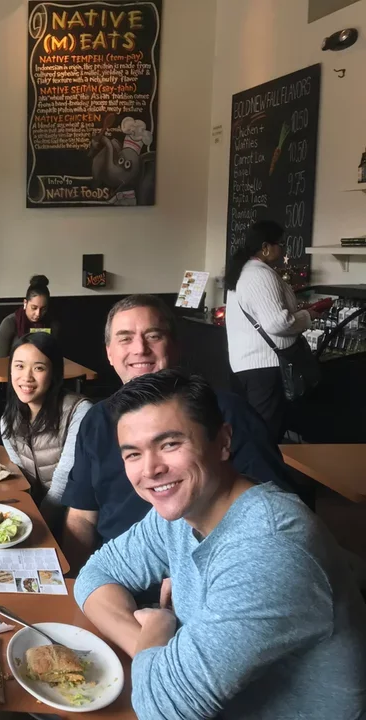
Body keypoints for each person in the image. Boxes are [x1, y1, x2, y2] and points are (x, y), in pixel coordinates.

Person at [75, 371, 366, 719]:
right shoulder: (183, 512)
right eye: (133, 454)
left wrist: (159, 627)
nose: (150, 469)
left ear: (223, 442)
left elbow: (161, 709)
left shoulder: (270, 548)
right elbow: (95, 575)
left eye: (170, 444)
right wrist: (150, 644)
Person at [60, 295, 293, 574]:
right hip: (114, 574)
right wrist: (73, 580)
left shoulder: (225, 412)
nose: (140, 349)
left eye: (153, 336)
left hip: (211, 577)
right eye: (125, 338)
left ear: (176, 346)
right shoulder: (96, 420)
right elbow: (82, 517)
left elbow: (269, 514)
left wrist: (185, 577)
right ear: (109, 353)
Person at [225, 220, 321, 443]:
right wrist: (308, 316)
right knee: (265, 434)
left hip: (249, 366)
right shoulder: (260, 274)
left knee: (255, 429)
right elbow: (277, 323)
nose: (283, 249)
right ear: (266, 247)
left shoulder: (244, 271)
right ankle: (263, 477)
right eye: (281, 244)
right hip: (265, 367)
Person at [0, 331, 91, 512]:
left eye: (39, 368)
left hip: (75, 517)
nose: (27, 377)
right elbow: (21, 477)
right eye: (19, 366)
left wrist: (39, 526)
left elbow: (63, 482)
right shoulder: (8, 419)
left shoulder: (79, 412)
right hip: (36, 512)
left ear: (54, 373)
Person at [0, 275, 54, 357]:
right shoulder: (10, 323)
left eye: (43, 309)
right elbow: (0, 360)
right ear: (25, 303)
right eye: (34, 308)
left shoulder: (53, 324)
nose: (38, 313)